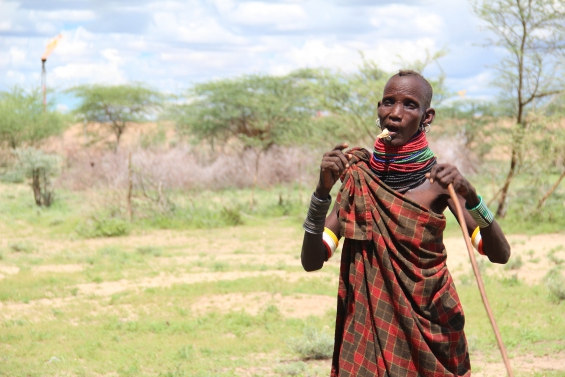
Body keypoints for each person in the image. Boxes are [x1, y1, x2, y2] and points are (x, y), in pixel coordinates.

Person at [301, 70, 511, 377]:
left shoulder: (440, 182)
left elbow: (499, 253)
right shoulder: (360, 179)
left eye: (410, 105)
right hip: (368, 328)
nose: (395, 114)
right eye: (388, 103)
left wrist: (473, 196)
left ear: (427, 117)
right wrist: (321, 192)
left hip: (431, 323)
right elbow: (312, 260)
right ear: (379, 108)